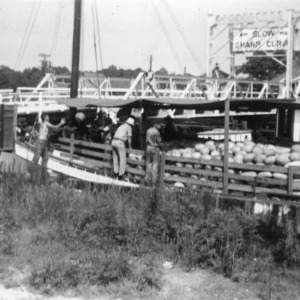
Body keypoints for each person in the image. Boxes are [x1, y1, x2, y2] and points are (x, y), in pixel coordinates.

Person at [111, 116, 135, 180]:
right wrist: (130, 146)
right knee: (122, 159)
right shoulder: (129, 127)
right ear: (131, 124)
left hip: (113, 141)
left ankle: (115, 173)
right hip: (120, 142)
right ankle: (120, 175)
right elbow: (129, 138)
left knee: (115, 158)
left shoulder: (121, 126)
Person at [145, 122, 163, 186]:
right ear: (156, 125)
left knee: (148, 164)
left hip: (148, 147)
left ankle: (147, 181)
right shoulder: (157, 132)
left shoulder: (148, 130)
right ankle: (153, 183)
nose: (160, 126)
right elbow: (159, 142)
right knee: (155, 165)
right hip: (155, 148)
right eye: (159, 125)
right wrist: (162, 148)